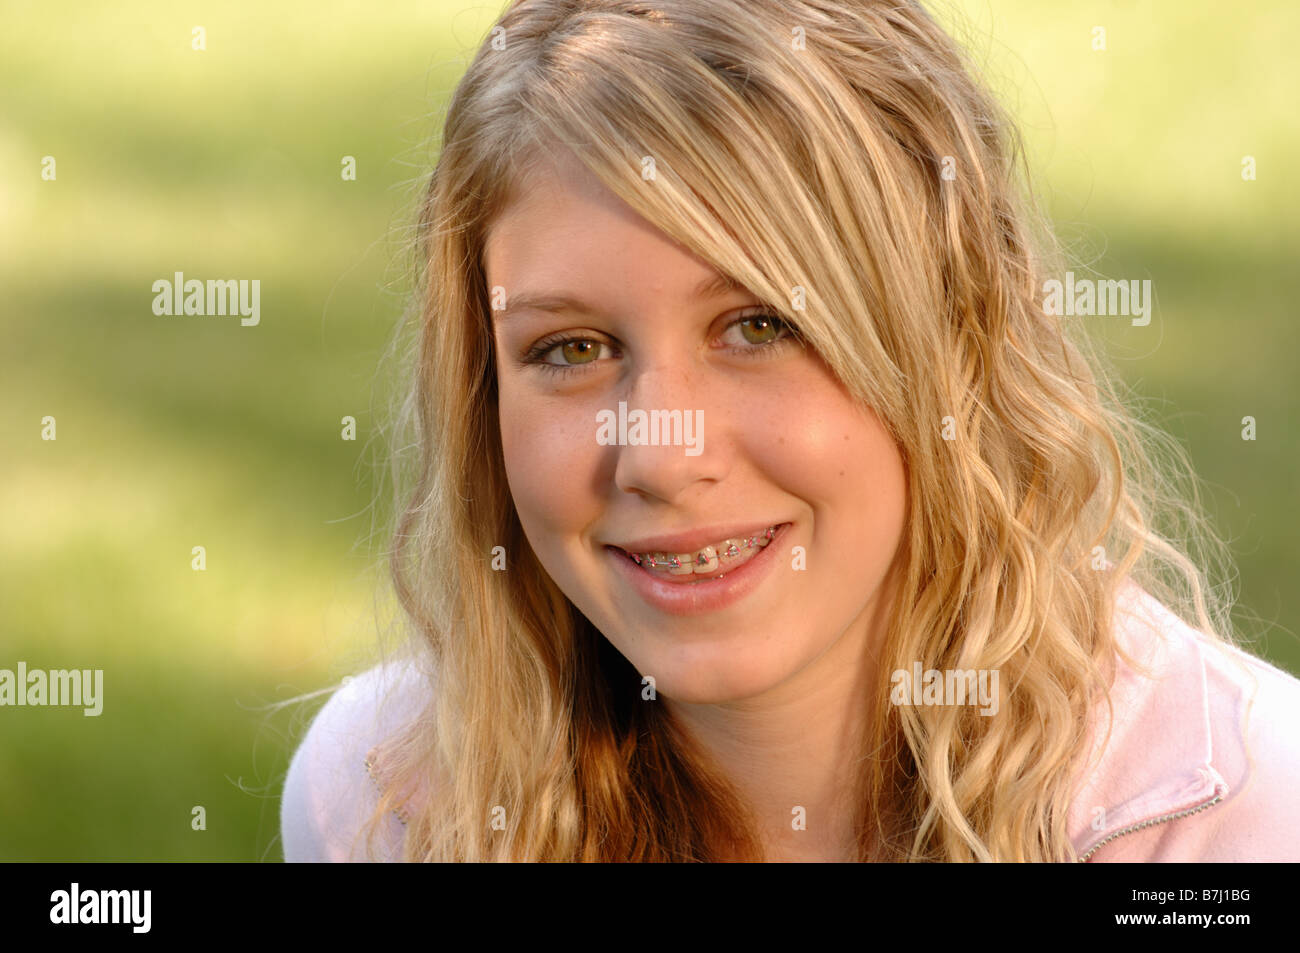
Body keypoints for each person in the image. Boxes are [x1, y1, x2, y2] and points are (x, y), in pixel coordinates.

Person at [281, 0, 1300, 862]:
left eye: (761, 325)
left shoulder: (1218, 814)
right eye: (572, 348)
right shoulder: (397, 802)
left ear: (950, 344)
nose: (663, 460)